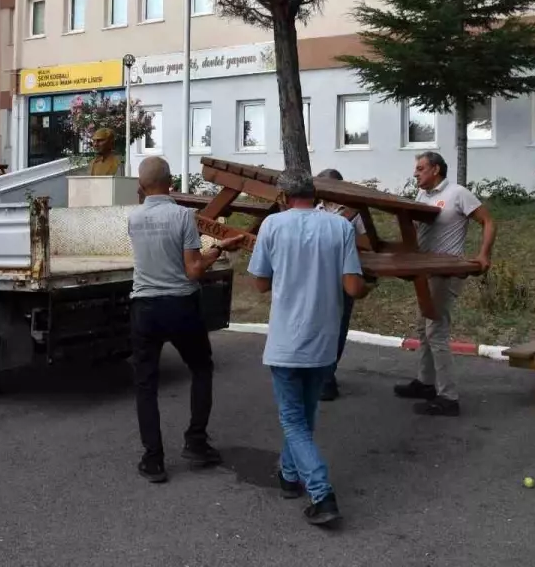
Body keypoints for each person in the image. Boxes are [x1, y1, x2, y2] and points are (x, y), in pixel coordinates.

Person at [248, 170, 369, 526]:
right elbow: (352, 287)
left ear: (283, 197)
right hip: (323, 340)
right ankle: (288, 476)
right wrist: (365, 286)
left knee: (293, 419)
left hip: (287, 340)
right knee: (305, 414)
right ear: (314, 195)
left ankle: (322, 494)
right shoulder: (340, 227)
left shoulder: (272, 226)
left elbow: (259, 284)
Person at [127, 156, 243, 483]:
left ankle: (153, 460)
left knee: (145, 384)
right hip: (180, 304)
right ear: (171, 181)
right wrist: (218, 248)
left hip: (144, 308)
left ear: (141, 184)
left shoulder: (133, 219)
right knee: (201, 368)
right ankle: (195, 441)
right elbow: (193, 269)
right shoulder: (183, 216)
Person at [393, 151, 496, 417]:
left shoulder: (457, 193)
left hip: (446, 273)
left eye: (420, 168)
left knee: (435, 330)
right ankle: (426, 383)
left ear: (435, 169)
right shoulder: (422, 196)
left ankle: (448, 398)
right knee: (422, 326)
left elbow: (488, 221)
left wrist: (483, 254)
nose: (415, 173)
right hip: (425, 271)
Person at [314, 168, 367, 402]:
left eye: (330, 186)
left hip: (344, 274)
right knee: (317, 327)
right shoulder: (313, 211)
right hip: (317, 277)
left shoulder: (355, 214)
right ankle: (319, 375)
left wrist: (341, 235)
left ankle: (328, 377)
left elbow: (367, 242)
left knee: (338, 326)